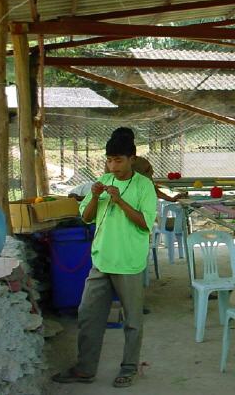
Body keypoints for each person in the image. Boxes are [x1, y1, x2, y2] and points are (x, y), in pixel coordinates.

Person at [52, 131, 157, 388]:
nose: (113, 166)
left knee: (132, 321)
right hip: (101, 261)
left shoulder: (144, 186)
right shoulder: (103, 181)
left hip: (129, 262)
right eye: (109, 160)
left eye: (118, 160)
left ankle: (129, 368)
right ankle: (85, 369)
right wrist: (96, 196)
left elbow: (145, 223)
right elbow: (86, 217)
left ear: (132, 159)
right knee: (88, 315)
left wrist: (119, 200)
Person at [109, 128, 184, 203]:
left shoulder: (141, 164)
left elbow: (149, 186)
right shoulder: (141, 163)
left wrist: (169, 198)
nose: (113, 167)